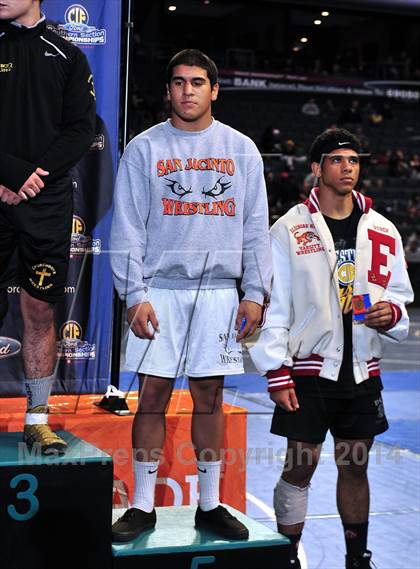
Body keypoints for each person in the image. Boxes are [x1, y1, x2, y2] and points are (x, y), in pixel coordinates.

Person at [110, 48, 271, 542]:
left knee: (210, 398)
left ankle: (209, 504)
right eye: (178, 82)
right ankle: (141, 505)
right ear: (167, 91)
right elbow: (127, 226)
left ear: (214, 89)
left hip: (220, 291)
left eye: (197, 82)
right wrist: (132, 293)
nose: (187, 91)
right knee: (152, 396)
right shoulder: (144, 148)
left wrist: (255, 291)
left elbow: (255, 227)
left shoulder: (242, 148)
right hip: (159, 289)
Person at [247, 128, 413, 568]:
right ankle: (287, 557)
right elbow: (275, 306)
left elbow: (400, 299)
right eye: (337, 160)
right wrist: (275, 370)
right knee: (300, 467)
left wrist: (391, 315)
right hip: (307, 372)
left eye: (354, 161)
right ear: (316, 168)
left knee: (354, 467)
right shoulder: (289, 228)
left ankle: (357, 558)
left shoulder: (383, 229)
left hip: (361, 370)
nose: (348, 168)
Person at [0, 0, 96, 453]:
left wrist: (32, 176)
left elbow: (80, 129)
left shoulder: (67, 55)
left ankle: (37, 419)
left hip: (45, 199)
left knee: (39, 310)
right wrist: (9, 174)